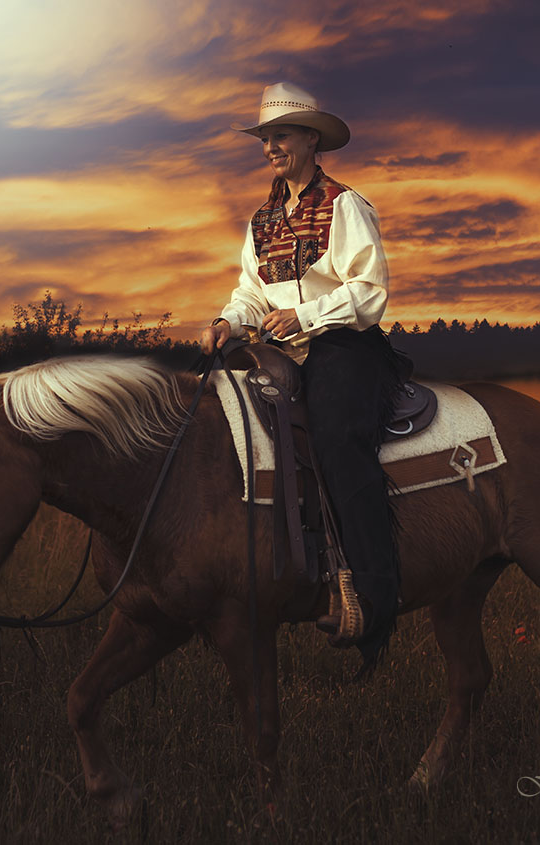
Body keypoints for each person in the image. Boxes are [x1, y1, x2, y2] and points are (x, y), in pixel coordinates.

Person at [200, 82, 408, 664]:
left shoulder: (345, 204)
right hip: (278, 349)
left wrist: (307, 315)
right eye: (265, 138)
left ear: (311, 140)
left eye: (281, 135)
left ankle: (372, 593)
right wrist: (227, 321)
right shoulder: (261, 219)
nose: (271, 146)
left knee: (338, 439)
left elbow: (369, 292)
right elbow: (249, 291)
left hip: (343, 344)